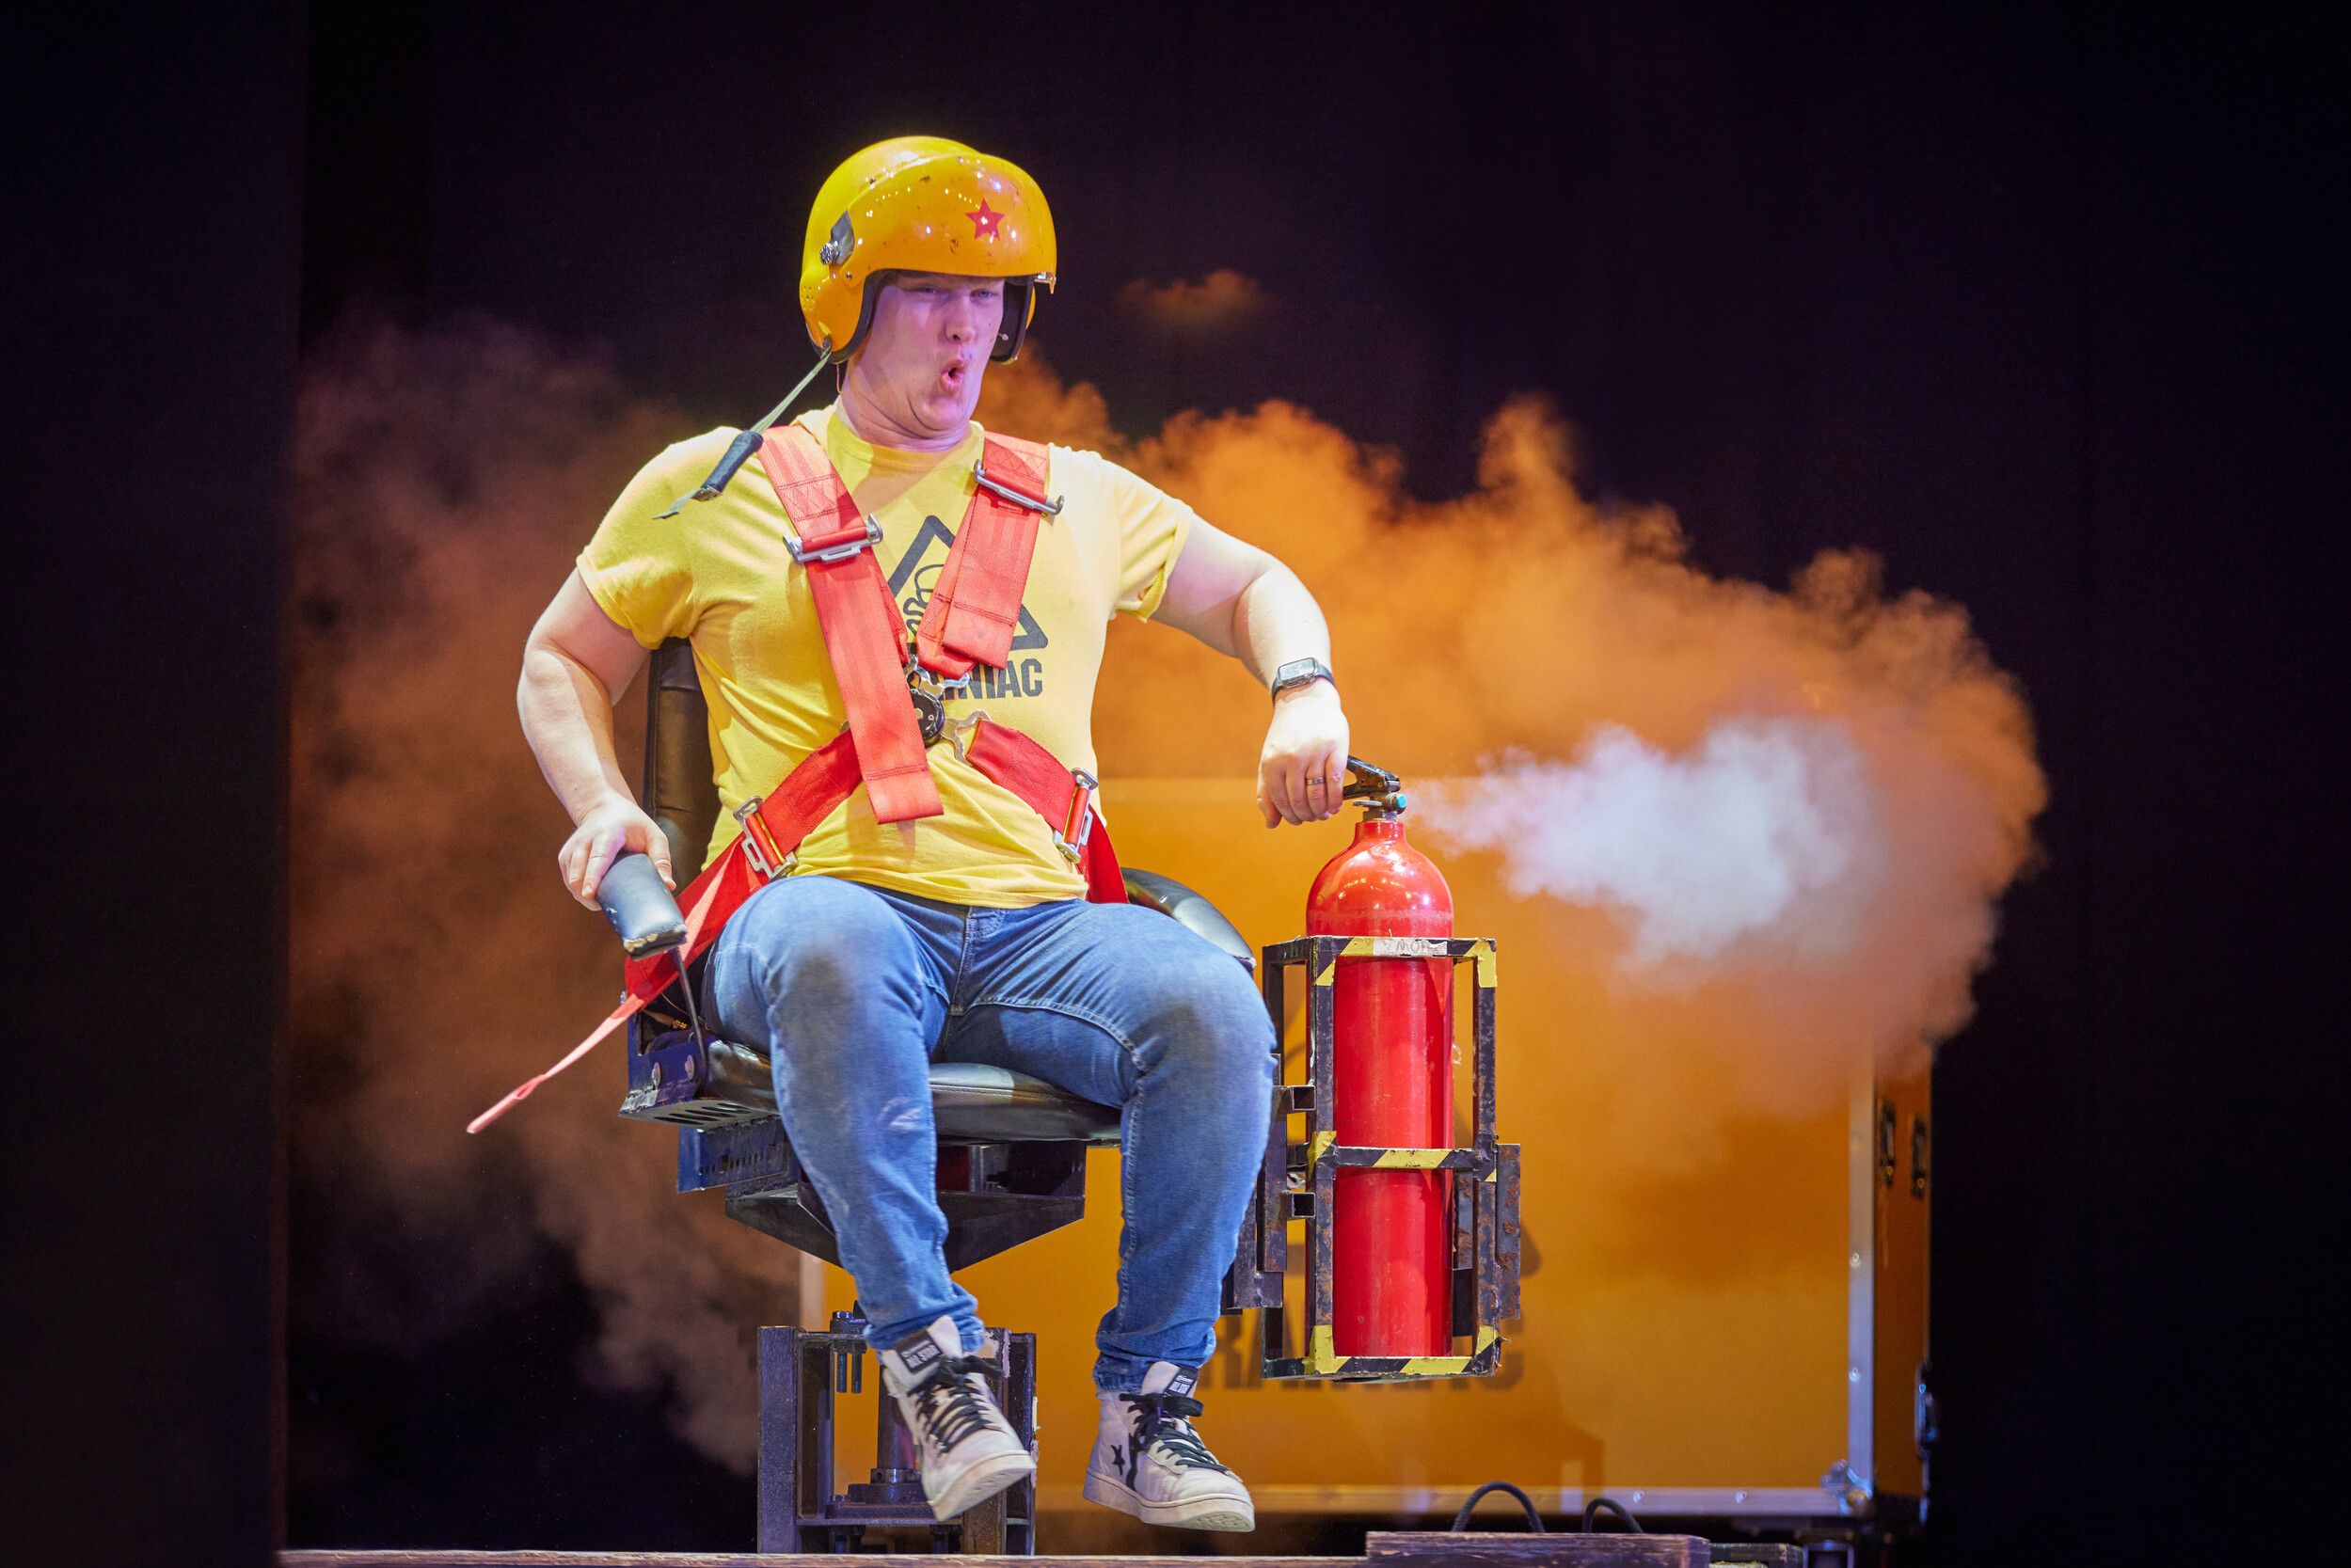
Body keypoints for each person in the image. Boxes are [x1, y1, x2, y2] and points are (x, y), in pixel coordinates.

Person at [516, 137, 1350, 1532]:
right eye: (933, 295)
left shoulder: (1078, 495)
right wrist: (605, 806)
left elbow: (1260, 584)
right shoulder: (711, 486)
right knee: (839, 943)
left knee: (1210, 1001)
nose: (971, 328)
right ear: (846, 304)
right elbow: (559, 660)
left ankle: (1151, 1406)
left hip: (1034, 930)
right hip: (817, 912)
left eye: (997, 301)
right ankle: (931, 1361)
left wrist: (1303, 686)